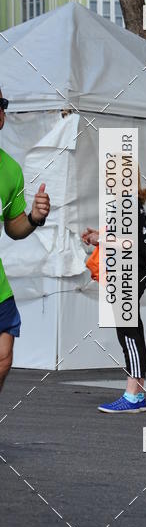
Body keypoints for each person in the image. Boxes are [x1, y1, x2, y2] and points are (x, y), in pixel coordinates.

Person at [82, 168, 146, 413]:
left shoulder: (127, 204)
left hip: (129, 273)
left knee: (129, 334)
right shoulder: (130, 203)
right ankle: (137, 393)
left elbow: (127, 242)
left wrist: (99, 239)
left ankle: (132, 395)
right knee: (132, 331)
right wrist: (98, 235)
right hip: (131, 272)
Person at [0, 91, 51, 396]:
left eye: (1, 106)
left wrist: (34, 217)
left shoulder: (10, 170)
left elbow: (13, 227)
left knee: (4, 358)